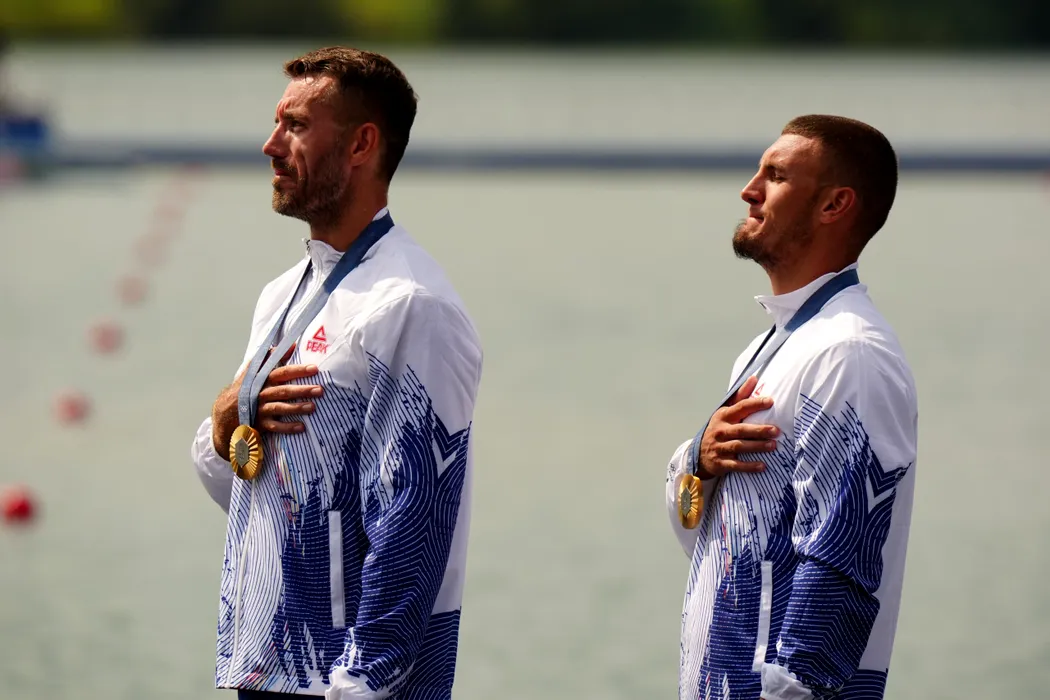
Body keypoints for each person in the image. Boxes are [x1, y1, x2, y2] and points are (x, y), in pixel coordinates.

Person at [190, 47, 484, 699]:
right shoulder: (281, 295)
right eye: (276, 123)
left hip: (350, 685)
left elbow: (413, 525)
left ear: (361, 145)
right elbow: (251, 490)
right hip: (263, 669)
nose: (270, 145)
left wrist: (358, 685)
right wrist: (223, 425)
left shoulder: (411, 304)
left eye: (295, 126)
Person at [664, 115, 918, 700]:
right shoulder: (770, 347)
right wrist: (697, 463)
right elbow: (704, 533)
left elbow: (839, 565)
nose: (748, 190)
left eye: (775, 176)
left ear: (834, 205)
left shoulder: (849, 353)